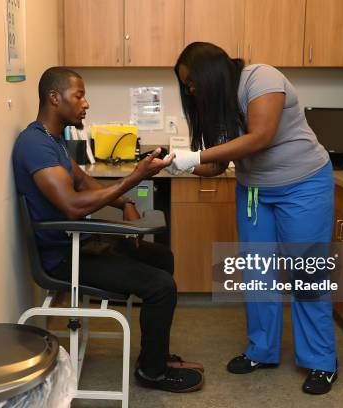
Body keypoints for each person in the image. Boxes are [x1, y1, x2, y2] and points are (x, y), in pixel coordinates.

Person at [12, 67, 204, 393]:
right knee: (161, 286)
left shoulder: (51, 141)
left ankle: (154, 355)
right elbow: (72, 205)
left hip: (80, 241)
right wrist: (136, 176)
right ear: (54, 98)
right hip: (62, 256)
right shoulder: (34, 144)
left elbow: (83, 181)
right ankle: (153, 373)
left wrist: (126, 200)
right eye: (79, 96)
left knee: (161, 257)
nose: (86, 103)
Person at [169, 42, 337, 395]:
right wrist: (176, 164)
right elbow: (215, 165)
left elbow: (260, 137)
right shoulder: (217, 107)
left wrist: (192, 155)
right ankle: (263, 350)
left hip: (303, 186)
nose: (190, 90)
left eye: (192, 83)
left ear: (210, 72)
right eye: (186, 86)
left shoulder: (261, 79)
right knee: (258, 273)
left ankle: (322, 361)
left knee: (306, 273)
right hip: (256, 192)